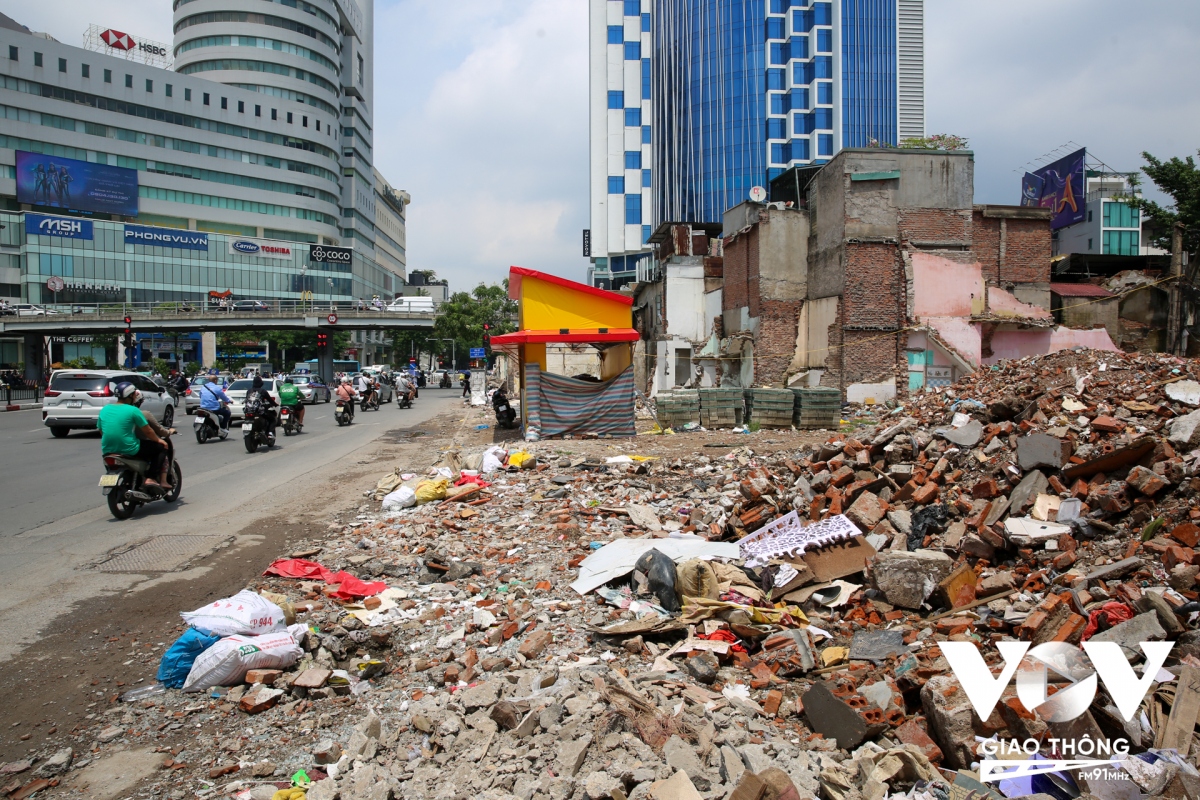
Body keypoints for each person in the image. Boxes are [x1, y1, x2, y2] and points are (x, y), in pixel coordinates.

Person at [98, 381, 171, 488]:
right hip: (130, 448)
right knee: (162, 447)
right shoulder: (133, 410)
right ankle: (150, 477)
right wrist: (159, 440)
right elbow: (148, 431)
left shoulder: (105, 409)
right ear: (130, 395)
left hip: (107, 450)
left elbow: (101, 430)